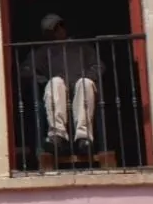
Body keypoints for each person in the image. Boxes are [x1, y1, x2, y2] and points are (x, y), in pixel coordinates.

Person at [20, 14, 104, 156]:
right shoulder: (44, 51)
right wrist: (40, 78)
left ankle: (83, 138)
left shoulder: (82, 46)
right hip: (59, 92)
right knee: (55, 82)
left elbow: (99, 65)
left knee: (85, 84)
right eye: (53, 30)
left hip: (80, 88)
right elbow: (25, 69)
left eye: (59, 27)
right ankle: (57, 136)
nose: (58, 31)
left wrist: (87, 76)